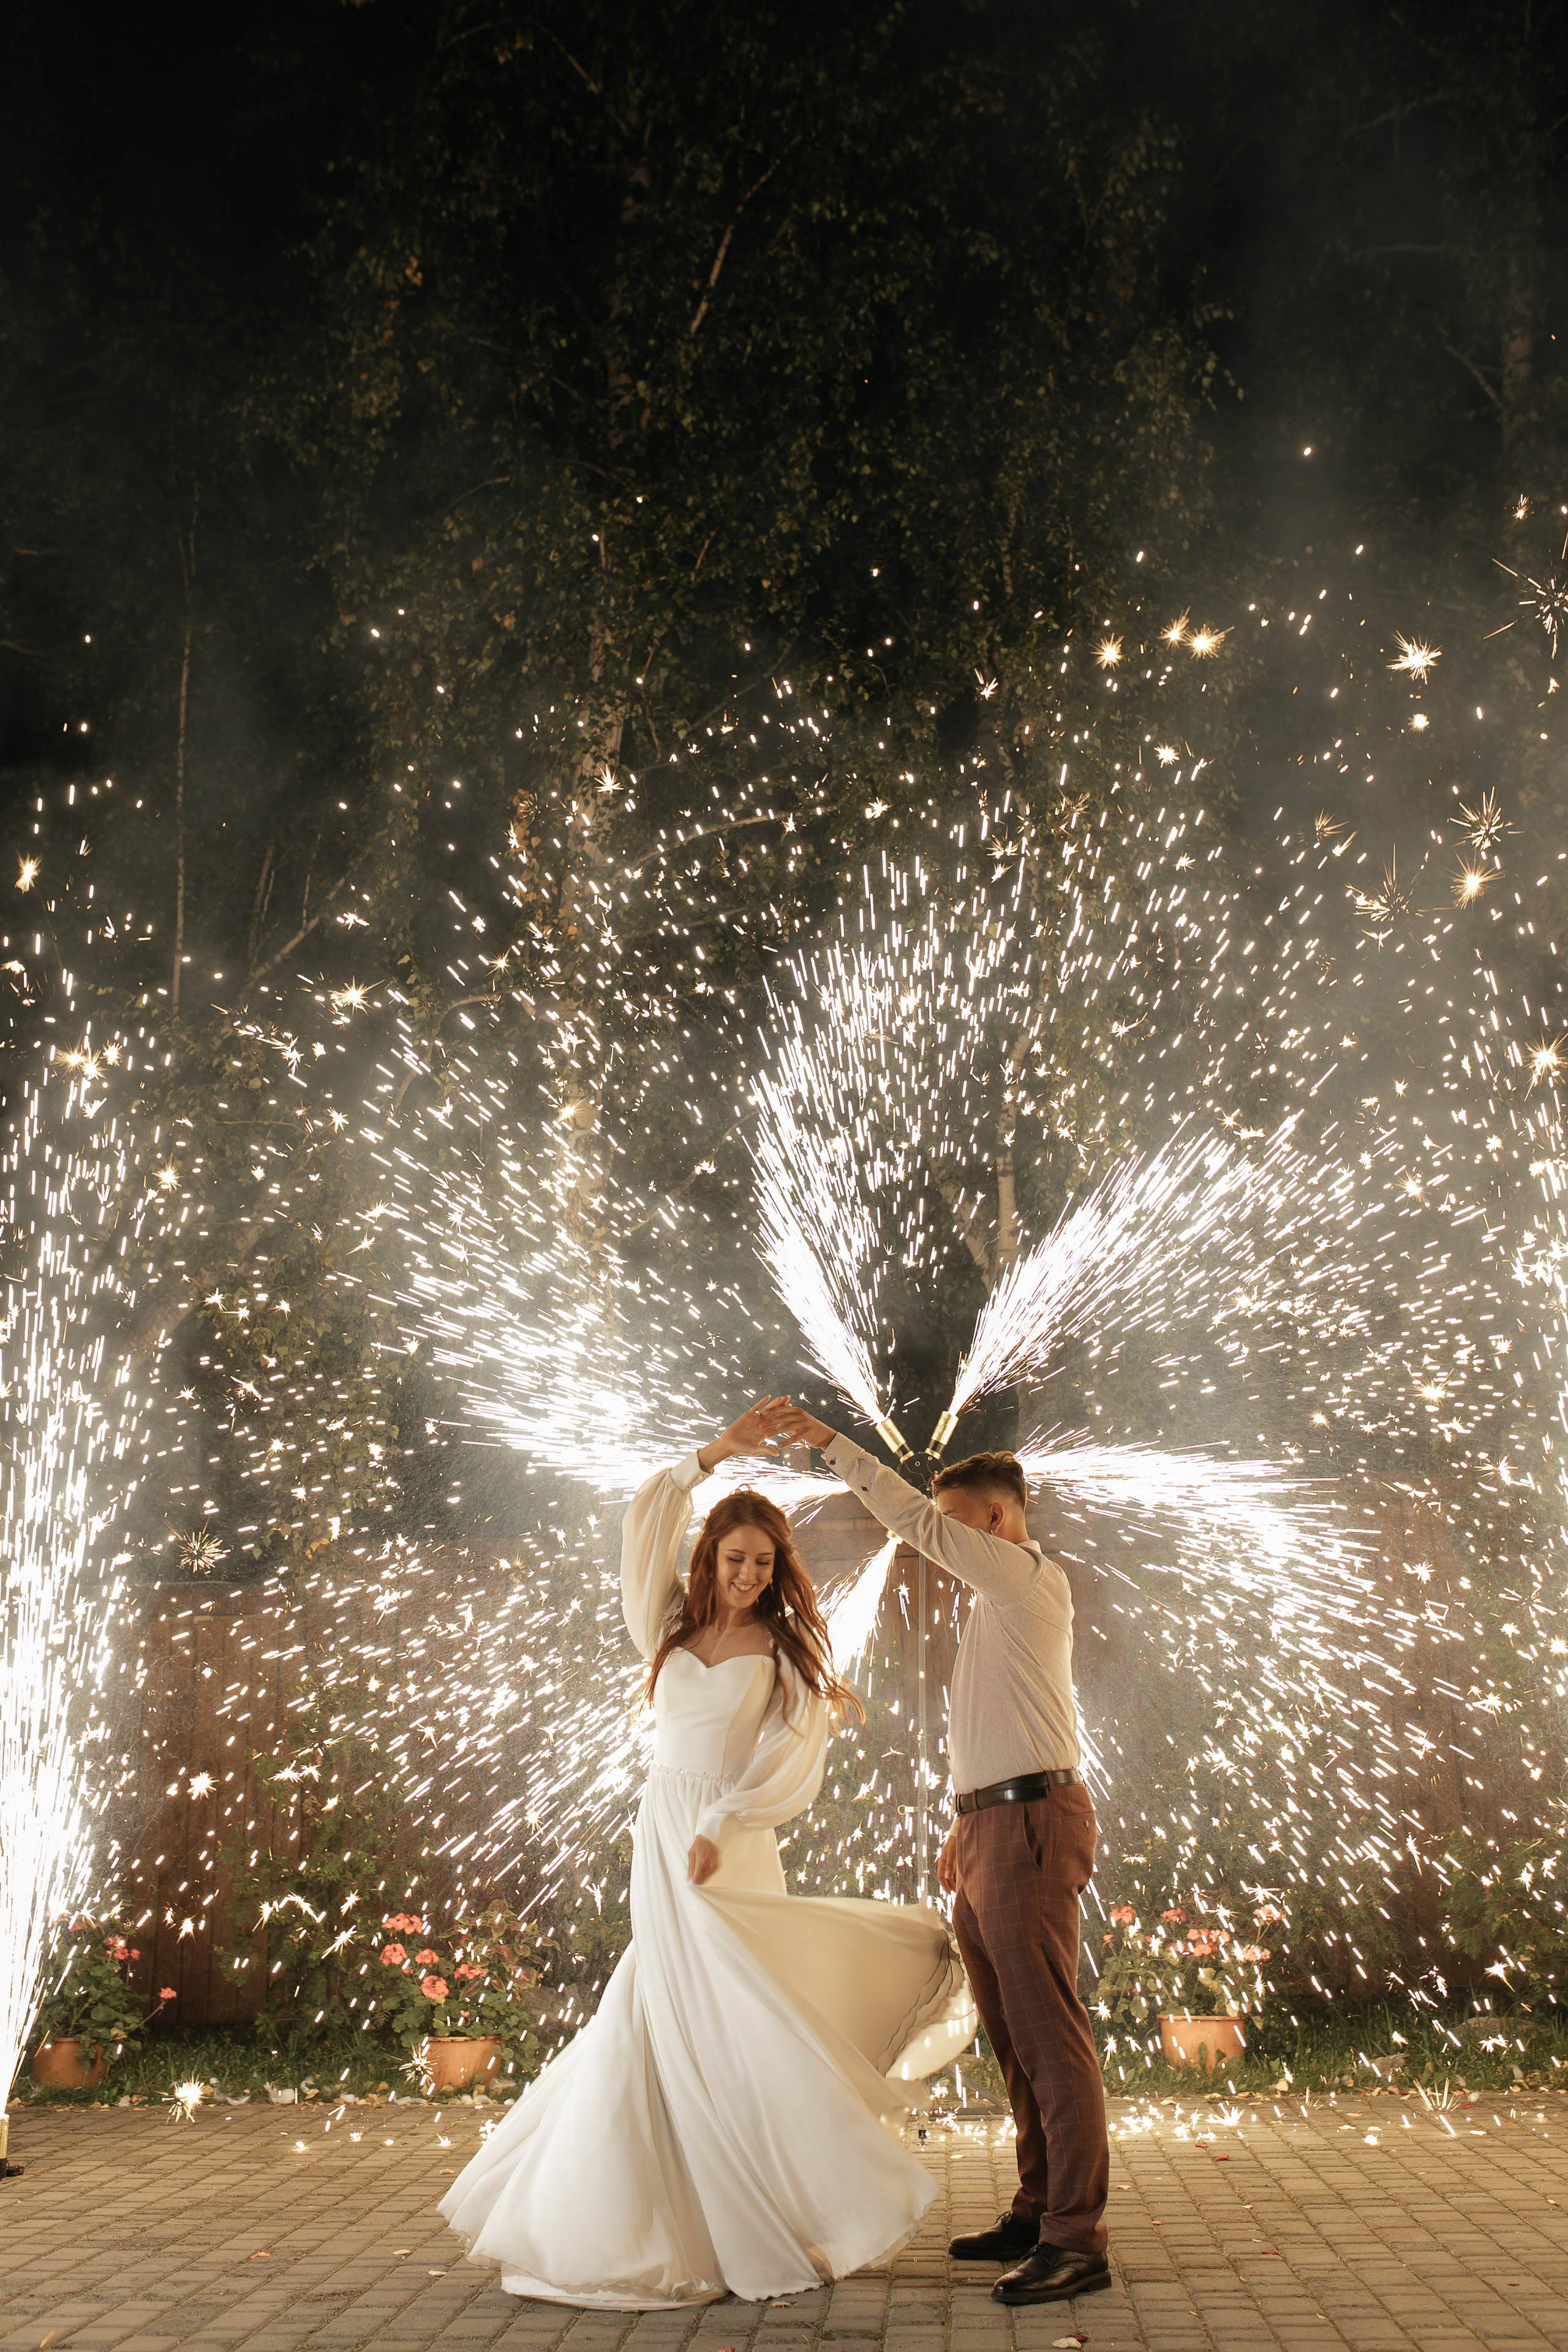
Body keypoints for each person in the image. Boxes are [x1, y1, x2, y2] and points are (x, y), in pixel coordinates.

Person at [440, 1396, 974, 2310]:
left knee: (736, 2011)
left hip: (727, 1836)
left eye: (764, 1565)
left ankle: (770, 2201)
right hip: (662, 1824)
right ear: (711, 1560)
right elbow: (642, 1516)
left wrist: (724, 1828)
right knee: (661, 2000)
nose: (750, 1577)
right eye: (736, 1560)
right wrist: (715, 1456)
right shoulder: (669, 1630)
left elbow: (791, 1756)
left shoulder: (784, 1648)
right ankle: (655, 2212)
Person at [774, 1406, 1111, 2310]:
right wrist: (964, 1826)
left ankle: (1077, 2240)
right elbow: (995, 1732)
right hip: (996, 1827)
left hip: (1034, 1824)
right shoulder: (998, 1604)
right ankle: (1040, 2210)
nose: (936, 1544)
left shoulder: (1025, 1578)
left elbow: (914, 1523)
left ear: (996, 1520)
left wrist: (828, 1441)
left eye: (953, 1523)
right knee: (1012, 2036)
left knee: (1049, 2035)